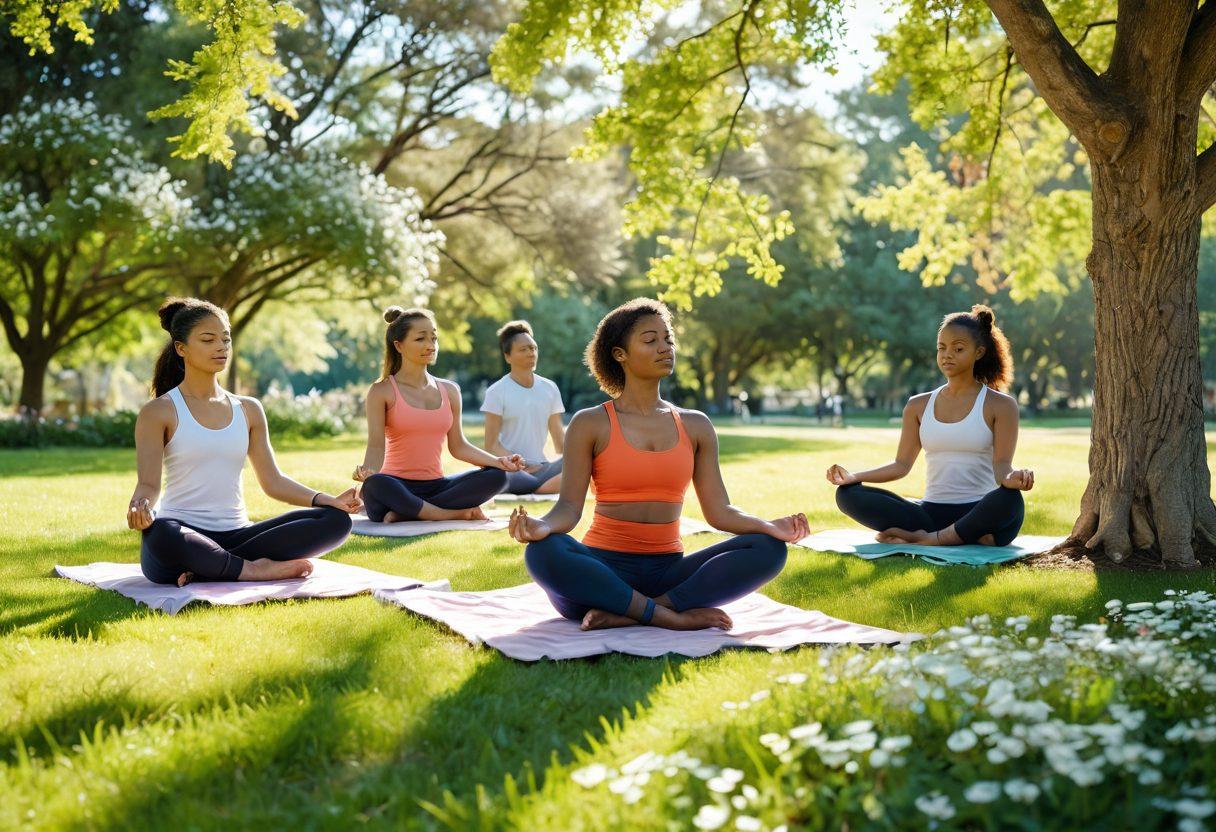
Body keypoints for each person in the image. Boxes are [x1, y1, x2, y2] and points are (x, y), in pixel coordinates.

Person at [508, 298, 808, 631]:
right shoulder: (590, 423)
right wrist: (543, 527)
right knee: (542, 552)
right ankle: (667, 617)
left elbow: (720, 510)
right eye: (650, 341)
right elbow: (567, 508)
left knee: (769, 549)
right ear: (619, 354)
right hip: (600, 575)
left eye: (668, 339)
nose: (665, 347)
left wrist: (769, 527)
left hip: (668, 575)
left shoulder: (695, 425)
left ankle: (637, 611)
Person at [127, 298, 360, 587]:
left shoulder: (248, 409)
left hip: (239, 534)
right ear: (181, 348)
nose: (221, 347)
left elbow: (273, 481)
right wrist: (141, 507)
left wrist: (329, 500)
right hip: (181, 534)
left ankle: (211, 566)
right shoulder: (159, 411)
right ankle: (254, 571)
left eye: (226, 339)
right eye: (208, 339)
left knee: (336, 521)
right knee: (161, 534)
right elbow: (149, 485)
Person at [826, 305, 1034, 547]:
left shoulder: (1001, 405)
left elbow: (1002, 467)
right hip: (929, 514)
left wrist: (1013, 478)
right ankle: (952, 536)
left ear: (978, 352)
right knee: (848, 495)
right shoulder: (917, 405)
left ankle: (930, 538)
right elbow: (901, 465)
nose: (947, 355)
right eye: (941, 348)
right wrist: (853, 476)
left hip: (980, 511)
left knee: (1010, 501)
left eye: (958, 349)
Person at [354, 306, 524, 522]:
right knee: (376, 485)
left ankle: (408, 513)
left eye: (434, 338)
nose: (430, 345)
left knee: (497, 477)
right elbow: (376, 446)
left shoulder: (450, 391)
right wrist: (368, 472)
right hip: (395, 485)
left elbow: (459, 446)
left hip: (438, 487)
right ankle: (450, 514)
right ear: (398, 345)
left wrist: (499, 461)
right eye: (420, 339)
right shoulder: (382, 391)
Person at [481, 319, 566, 495]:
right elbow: (491, 445)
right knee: (501, 478)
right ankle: (545, 487)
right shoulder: (496, 392)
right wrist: (523, 464)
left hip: (543, 467)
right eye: (523, 349)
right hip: (512, 470)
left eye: (533, 348)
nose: (531, 353)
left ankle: (543, 486)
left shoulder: (550, 388)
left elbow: (559, 441)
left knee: (580, 461)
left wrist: (578, 461)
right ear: (507, 356)